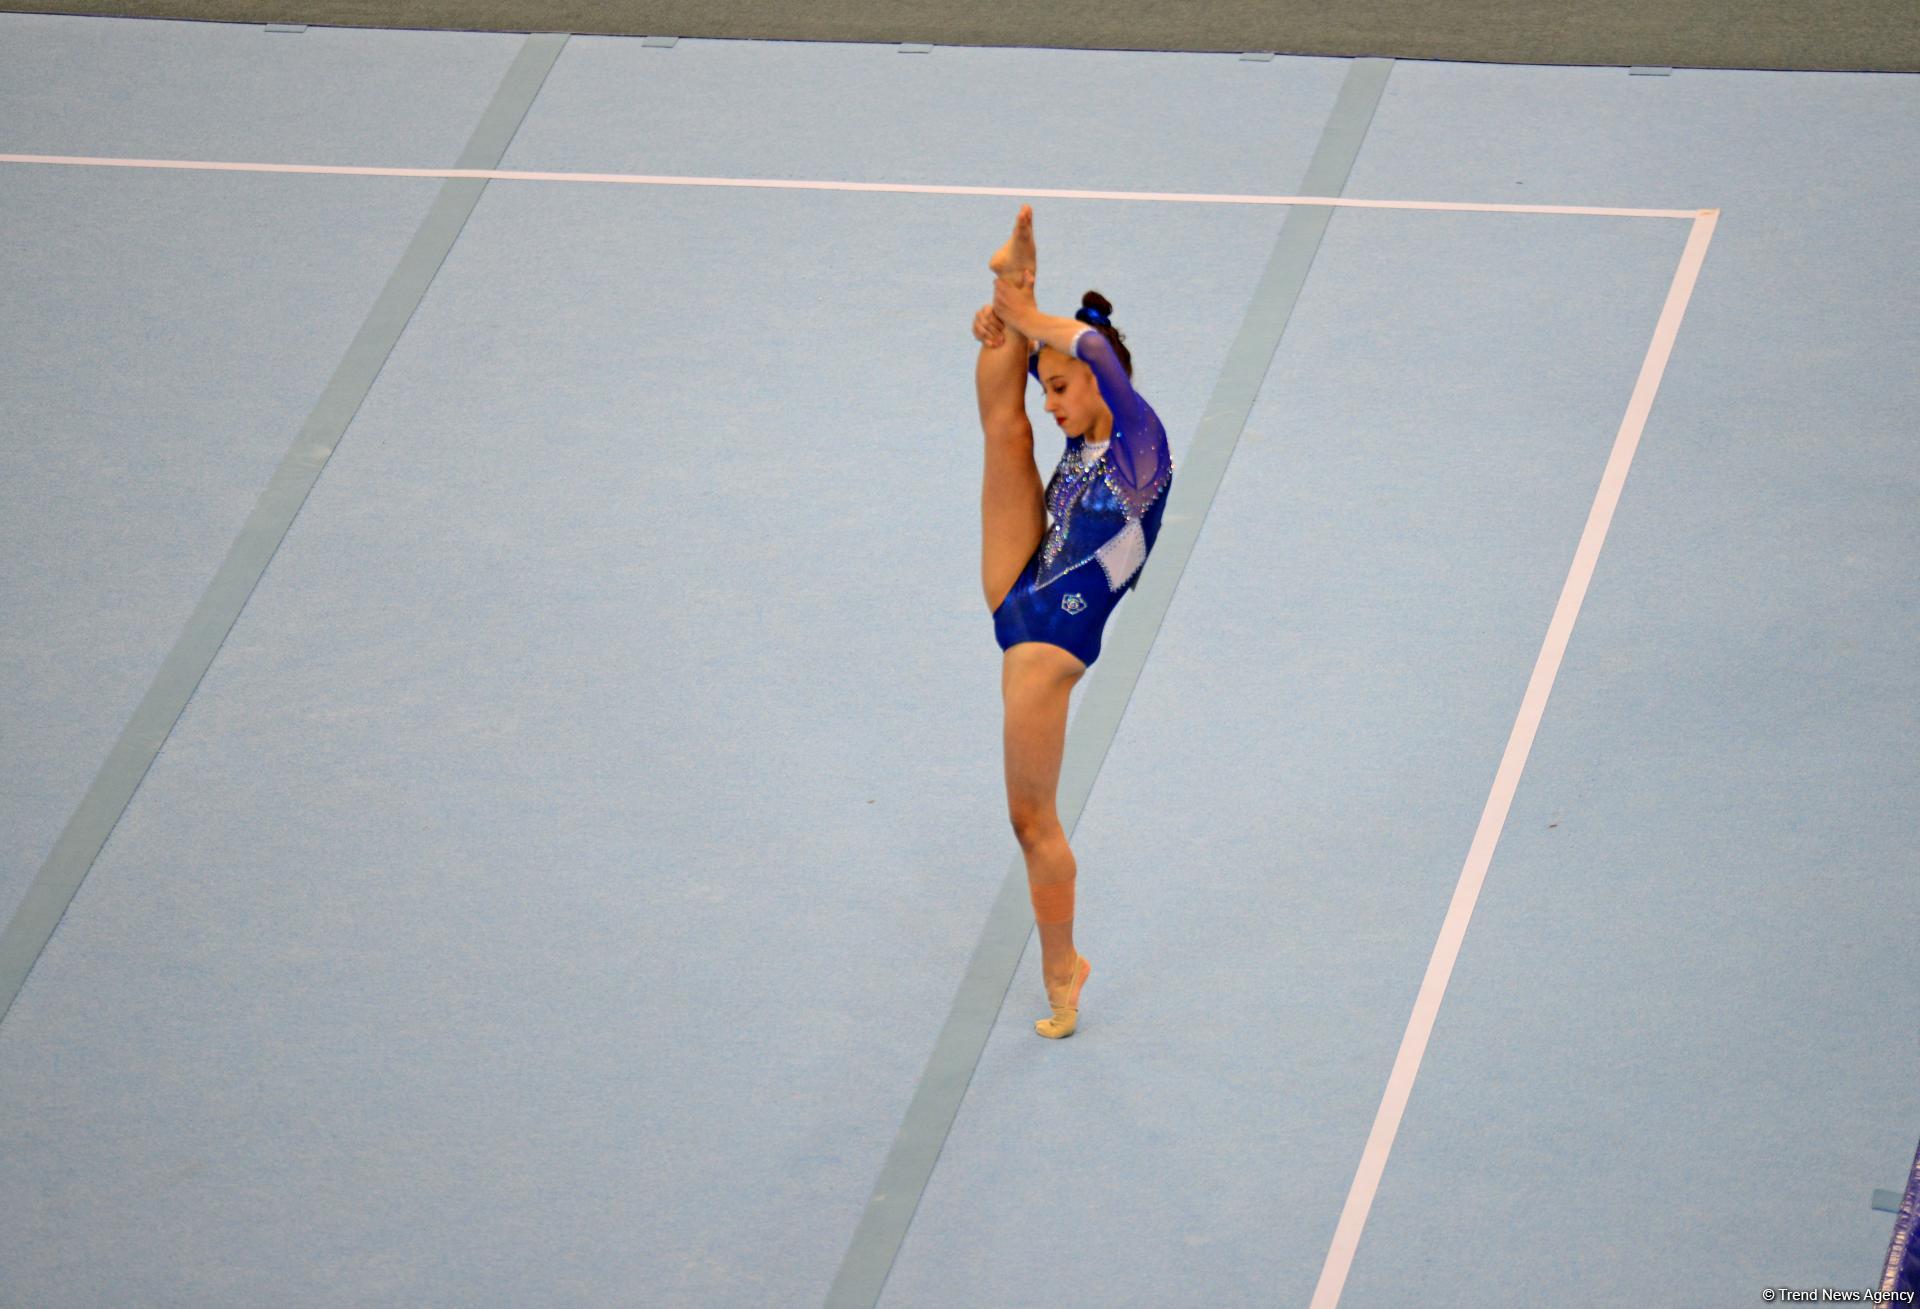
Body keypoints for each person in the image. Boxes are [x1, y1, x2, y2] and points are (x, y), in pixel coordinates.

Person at [971, 206, 1175, 1038]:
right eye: (1048, 384)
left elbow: (1089, 347)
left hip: (1054, 641)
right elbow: (1026, 389)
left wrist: (1030, 328)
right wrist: (1009, 322)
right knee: (1000, 429)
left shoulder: (1143, 445)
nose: (1051, 401)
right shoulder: (1078, 425)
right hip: (1026, 592)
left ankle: (1064, 968)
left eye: (1059, 387)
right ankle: (1013, 272)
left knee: (1032, 822)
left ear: (1101, 381)